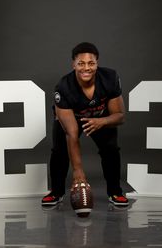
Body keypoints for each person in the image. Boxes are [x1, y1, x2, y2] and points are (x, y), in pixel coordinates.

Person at [42, 42, 128, 206]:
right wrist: (78, 172)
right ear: (73, 64)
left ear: (97, 63)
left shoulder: (110, 78)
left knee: (110, 149)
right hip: (71, 119)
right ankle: (56, 192)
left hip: (100, 117)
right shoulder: (64, 87)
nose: (86, 68)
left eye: (91, 63)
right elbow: (72, 134)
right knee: (59, 150)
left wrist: (102, 121)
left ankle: (115, 192)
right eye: (81, 63)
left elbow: (120, 116)